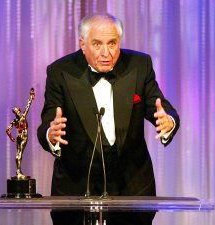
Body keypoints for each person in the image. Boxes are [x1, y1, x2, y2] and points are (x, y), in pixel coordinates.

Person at [37, 13, 180, 225]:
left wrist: (168, 121)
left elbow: (160, 106)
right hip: (76, 189)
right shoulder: (60, 72)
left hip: (132, 191)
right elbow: (48, 122)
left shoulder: (139, 65)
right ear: (83, 45)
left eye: (112, 43)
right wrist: (51, 134)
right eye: (97, 44)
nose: (106, 53)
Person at [6, 88, 35, 179]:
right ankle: (18, 171)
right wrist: (31, 97)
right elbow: (28, 106)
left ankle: (19, 170)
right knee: (20, 153)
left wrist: (11, 137)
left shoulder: (15, 120)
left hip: (19, 136)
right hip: (23, 135)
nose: (18, 112)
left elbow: (8, 130)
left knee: (19, 152)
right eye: (17, 111)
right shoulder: (22, 117)